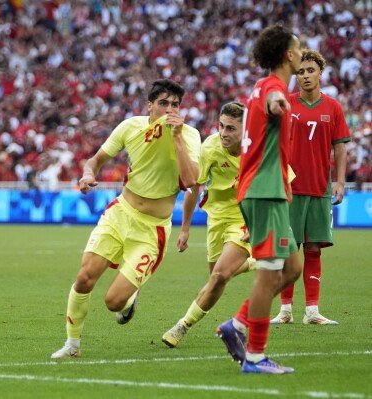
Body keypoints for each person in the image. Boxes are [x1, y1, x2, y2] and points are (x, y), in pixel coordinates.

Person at [50, 79, 201, 358]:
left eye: (175, 105)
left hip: (151, 230)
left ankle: (129, 299)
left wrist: (176, 137)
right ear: (150, 106)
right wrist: (87, 175)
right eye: (163, 104)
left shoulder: (190, 136)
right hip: (120, 213)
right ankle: (72, 345)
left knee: (113, 302)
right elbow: (95, 160)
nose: (169, 109)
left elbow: (192, 181)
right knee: (84, 278)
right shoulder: (130, 127)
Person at [216, 24, 303, 374]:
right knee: (269, 274)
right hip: (263, 192)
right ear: (287, 54)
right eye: (298, 48)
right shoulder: (273, 88)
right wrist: (278, 103)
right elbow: (272, 100)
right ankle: (254, 356)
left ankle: (237, 324)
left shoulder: (261, 86)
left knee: (293, 267)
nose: (301, 53)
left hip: (268, 190)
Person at [162, 102, 256, 348]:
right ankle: (255, 262)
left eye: (231, 129)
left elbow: (282, 183)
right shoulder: (211, 147)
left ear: (245, 130)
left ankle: (182, 326)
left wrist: (261, 222)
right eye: (221, 126)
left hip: (244, 218)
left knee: (220, 275)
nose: (224, 133)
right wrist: (184, 228)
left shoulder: (260, 148)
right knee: (216, 278)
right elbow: (195, 186)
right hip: (216, 217)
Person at [270, 50, 350, 325]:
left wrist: (339, 181)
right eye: (300, 72)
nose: (304, 76)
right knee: (289, 249)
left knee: (313, 248)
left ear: (320, 73)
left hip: (319, 187)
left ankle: (312, 311)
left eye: (310, 71)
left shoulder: (333, 107)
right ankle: (285, 310)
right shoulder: (286, 105)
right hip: (288, 189)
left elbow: (340, 149)